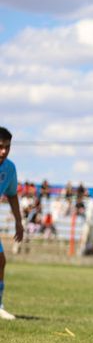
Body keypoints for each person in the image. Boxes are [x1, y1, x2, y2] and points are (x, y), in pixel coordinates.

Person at [0, 127, 24, 320]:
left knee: (1, 261)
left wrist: (19, 222)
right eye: (0, 147)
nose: (4, 152)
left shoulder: (9, 168)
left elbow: (12, 194)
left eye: (7, 147)